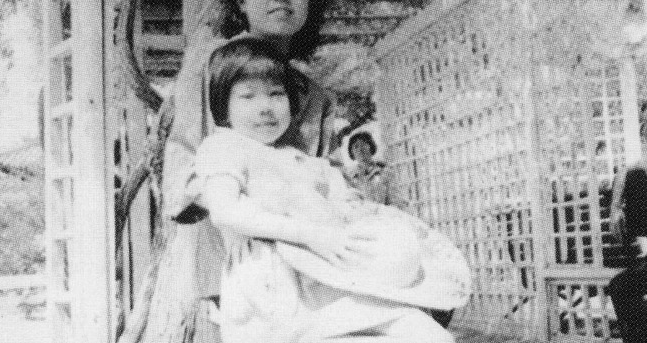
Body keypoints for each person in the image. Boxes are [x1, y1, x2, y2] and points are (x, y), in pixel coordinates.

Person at [194, 37, 468, 342]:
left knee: (421, 329)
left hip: (327, 274)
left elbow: (343, 202)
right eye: (248, 97)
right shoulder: (224, 147)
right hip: (275, 287)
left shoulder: (297, 158)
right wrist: (313, 234)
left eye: (276, 94)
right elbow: (225, 211)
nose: (265, 108)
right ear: (224, 108)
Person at [139, 0, 335, 342]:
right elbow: (180, 170)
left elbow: (321, 179)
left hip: (309, 265)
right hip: (230, 266)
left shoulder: (314, 96)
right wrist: (236, 207)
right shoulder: (211, 69)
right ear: (241, 1)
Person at [607, 103, 647, 343]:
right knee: (620, 287)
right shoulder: (641, 169)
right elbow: (631, 170)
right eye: (646, 124)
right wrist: (615, 205)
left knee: (621, 287)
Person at [345, 130, 391, 206]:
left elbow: (395, 202)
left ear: (371, 146)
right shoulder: (349, 176)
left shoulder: (385, 171)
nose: (360, 149)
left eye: (363, 144)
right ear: (351, 152)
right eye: (356, 146)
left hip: (384, 215)